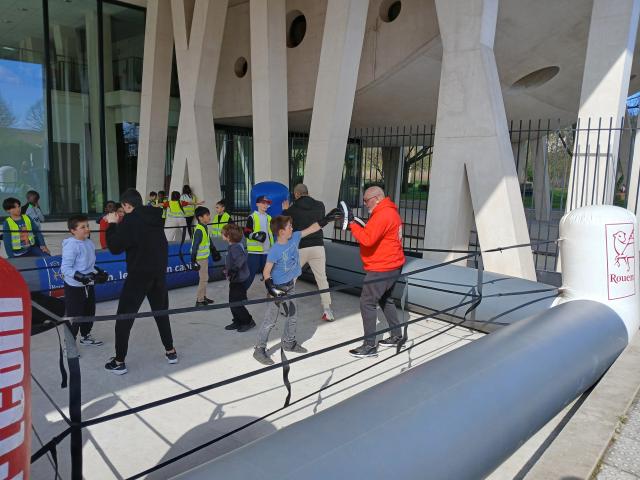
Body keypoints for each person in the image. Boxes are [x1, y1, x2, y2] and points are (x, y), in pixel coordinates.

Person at [104, 188, 177, 375]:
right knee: (161, 313)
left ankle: (119, 361)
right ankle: (171, 351)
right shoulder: (155, 217)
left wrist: (112, 224)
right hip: (158, 273)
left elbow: (114, 247)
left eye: (123, 208)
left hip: (138, 275)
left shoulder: (131, 221)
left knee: (124, 318)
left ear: (127, 205)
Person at [253, 210, 338, 365]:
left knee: (292, 316)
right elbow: (266, 272)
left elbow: (312, 229)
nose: (292, 228)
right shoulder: (275, 250)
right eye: (289, 226)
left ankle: (289, 342)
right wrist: (271, 288)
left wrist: (326, 220)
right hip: (277, 288)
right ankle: (259, 349)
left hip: (290, 286)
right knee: (270, 320)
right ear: (281, 232)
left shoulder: (295, 237)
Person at [343, 186, 406, 358]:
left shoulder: (383, 214)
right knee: (385, 299)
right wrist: (358, 223)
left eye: (366, 200)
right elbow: (373, 232)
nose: (364, 203)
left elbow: (367, 239)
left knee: (367, 303)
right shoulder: (388, 211)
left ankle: (369, 346)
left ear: (377, 198)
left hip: (382, 267)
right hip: (393, 265)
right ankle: (396, 336)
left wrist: (352, 224)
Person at [282, 183, 334, 321]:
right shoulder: (320, 205)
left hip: (300, 247)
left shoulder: (292, 209)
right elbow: (319, 223)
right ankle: (327, 309)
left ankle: (287, 306)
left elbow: (285, 226)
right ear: (307, 192)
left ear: (296, 194)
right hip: (318, 246)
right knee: (322, 278)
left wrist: (285, 211)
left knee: (291, 278)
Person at [60, 214, 107, 346]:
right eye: (82, 227)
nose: (87, 229)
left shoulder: (89, 243)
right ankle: (69, 344)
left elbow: (88, 265)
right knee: (75, 316)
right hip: (74, 287)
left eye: (87, 226)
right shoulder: (71, 246)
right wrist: (80, 276)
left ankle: (85, 336)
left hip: (88, 285)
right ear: (73, 230)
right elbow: (65, 268)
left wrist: (99, 272)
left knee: (89, 312)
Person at [221, 223, 255, 332]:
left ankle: (248, 321)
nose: (221, 234)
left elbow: (241, 259)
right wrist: (227, 269)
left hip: (239, 280)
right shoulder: (233, 246)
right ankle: (237, 321)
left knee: (236, 303)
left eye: (223, 233)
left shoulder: (235, 247)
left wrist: (233, 270)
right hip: (235, 279)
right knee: (232, 302)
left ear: (228, 236)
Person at [190, 206, 219, 307]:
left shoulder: (204, 227)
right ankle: (199, 300)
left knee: (205, 278)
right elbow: (195, 246)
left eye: (209, 214)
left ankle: (203, 297)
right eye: (207, 215)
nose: (209, 217)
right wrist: (193, 260)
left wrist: (213, 250)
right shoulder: (199, 230)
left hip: (204, 257)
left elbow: (208, 239)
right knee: (203, 279)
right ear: (200, 217)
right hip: (200, 259)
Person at [243, 196, 274, 290]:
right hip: (254, 252)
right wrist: (256, 236)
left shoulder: (269, 218)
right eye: (263, 203)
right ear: (257, 204)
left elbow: (271, 234)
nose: (265, 205)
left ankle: (271, 293)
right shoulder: (252, 217)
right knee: (250, 275)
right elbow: (246, 232)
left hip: (267, 252)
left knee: (268, 274)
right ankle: (241, 294)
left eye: (267, 203)